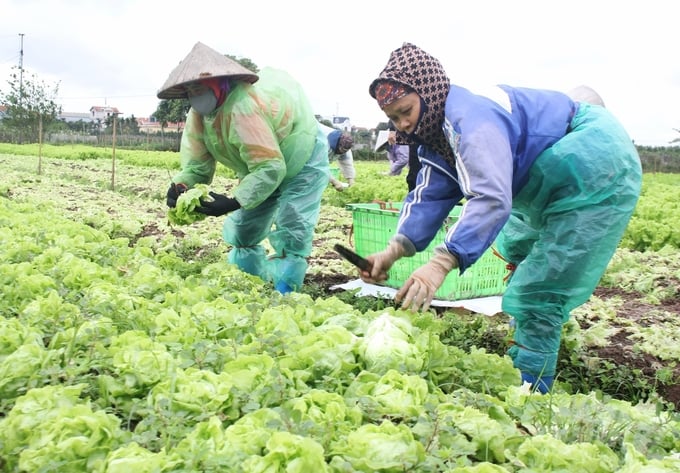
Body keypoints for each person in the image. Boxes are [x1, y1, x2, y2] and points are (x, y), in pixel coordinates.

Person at [360, 42, 641, 393]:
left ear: (428, 91)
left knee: (542, 285)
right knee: (513, 248)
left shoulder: (471, 120)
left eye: (406, 111)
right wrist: (392, 251)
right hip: (554, 168)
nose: (404, 124)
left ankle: (530, 388)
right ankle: (530, 334)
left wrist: (440, 263)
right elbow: (429, 194)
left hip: (595, 162)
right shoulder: (435, 136)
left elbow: (490, 198)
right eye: (395, 119)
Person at [160, 42, 330, 294]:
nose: (196, 95)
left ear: (219, 85)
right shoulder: (198, 115)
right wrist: (182, 185)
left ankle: (285, 287)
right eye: (191, 90)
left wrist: (233, 201)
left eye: (201, 88)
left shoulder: (242, 106)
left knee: (293, 219)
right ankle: (249, 280)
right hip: (260, 166)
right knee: (244, 226)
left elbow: (270, 167)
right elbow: (197, 164)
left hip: (300, 153)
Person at [320, 123, 356, 191]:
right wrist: (334, 181)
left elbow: (347, 161)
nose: (342, 153)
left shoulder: (345, 143)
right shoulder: (322, 143)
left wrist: (351, 178)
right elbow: (319, 166)